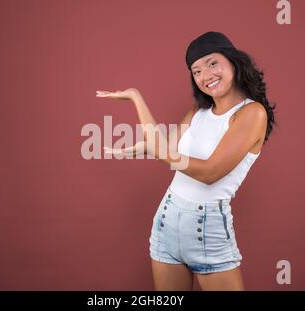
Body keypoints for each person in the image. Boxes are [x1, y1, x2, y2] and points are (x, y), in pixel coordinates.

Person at [96, 31, 276, 291]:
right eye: (197, 71)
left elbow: (210, 173)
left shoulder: (251, 113)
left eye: (212, 63)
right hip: (167, 219)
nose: (206, 75)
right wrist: (136, 98)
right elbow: (165, 147)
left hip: (208, 227)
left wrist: (158, 151)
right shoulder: (199, 111)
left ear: (233, 62)